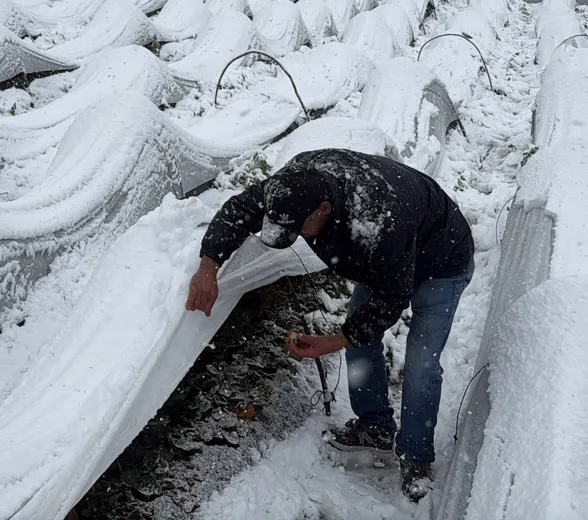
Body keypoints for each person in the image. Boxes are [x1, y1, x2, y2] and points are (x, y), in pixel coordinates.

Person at [185, 148, 475, 501]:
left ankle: (416, 458)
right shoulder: (291, 188)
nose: (293, 233)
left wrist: (336, 340)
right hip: (380, 257)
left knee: (421, 364)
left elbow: (393, 297)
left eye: (298, 229)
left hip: (441, 260)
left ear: (323, 210)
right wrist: (208, 265)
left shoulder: (378, 220)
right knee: (360, 336)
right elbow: (240, 210)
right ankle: (375, 427)